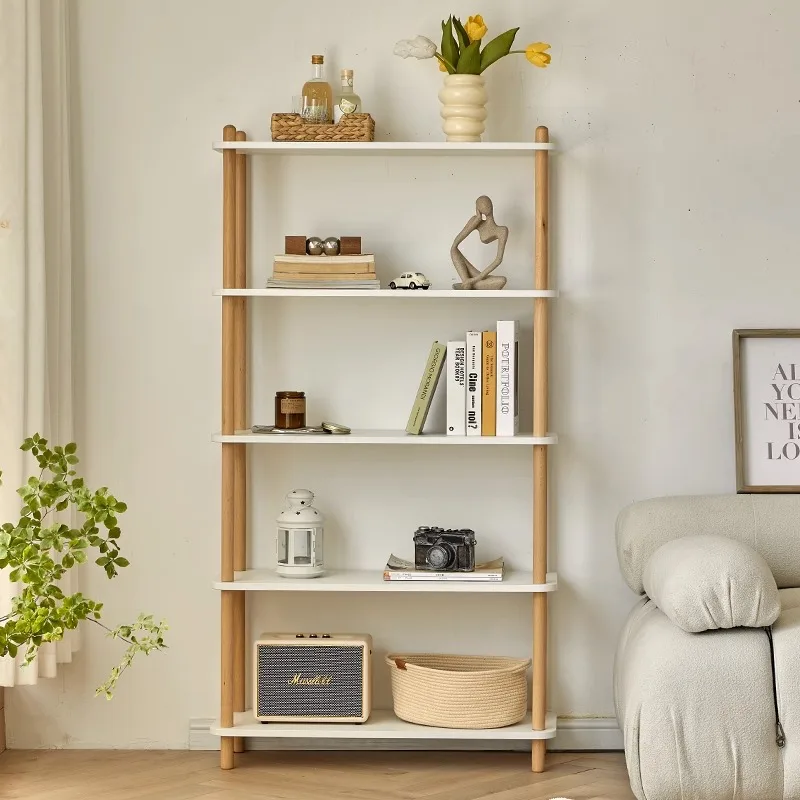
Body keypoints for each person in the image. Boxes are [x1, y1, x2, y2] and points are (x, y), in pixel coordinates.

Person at [451, 195, 508, 290]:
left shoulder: (502, 231)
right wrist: (477, 219)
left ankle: (468, 284)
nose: (485, 206)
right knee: (453, 250)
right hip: (473, 275)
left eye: (487, 204)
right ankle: (467, 282)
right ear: (478, 209)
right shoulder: (476, 221)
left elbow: (498, 260)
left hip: (478, 277)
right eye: (481, 205)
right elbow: (456, 242)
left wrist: (474, 280)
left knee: (502, 280)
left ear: (492, 206)